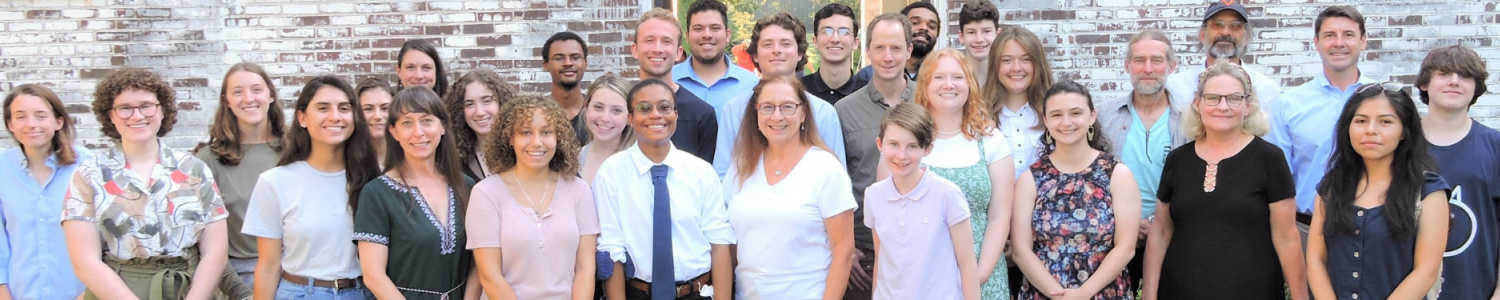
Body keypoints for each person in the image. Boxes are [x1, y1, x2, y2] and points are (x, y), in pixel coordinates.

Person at [63, 68, 238, 299]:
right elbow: (85, 261)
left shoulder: (194, 169)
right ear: (110, 115)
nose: (137, 116)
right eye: (125, 108)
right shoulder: (88, 175)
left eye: (146, 105)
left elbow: (215, 251)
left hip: (189, 290)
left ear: (162, 110)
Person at [1140, 62, 1307, 300]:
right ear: (1198, 104)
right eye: (1213, 98)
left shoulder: (1269, 158)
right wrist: (1149, 293)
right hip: (1180, 290)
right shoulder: (1178, 159)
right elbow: (1161, 231)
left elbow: (1287, 237)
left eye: (1234, 98)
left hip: (1253, 291)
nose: (1223, 106)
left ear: (1248, 106)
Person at [594, 79, 734, 300]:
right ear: (630, 118)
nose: (655, 115)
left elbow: (719, 242)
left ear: (676, 114)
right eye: (644, 108)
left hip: (697, 293)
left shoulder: (701, 172)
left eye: (664, 107)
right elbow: (612, 249)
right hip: (639, 293)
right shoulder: (611, 173)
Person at [1307, 82, 1449, 300]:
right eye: (1361, 121)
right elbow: (1316, 258)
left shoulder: (1427, 191)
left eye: (1385, 122)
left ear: (1404, 131)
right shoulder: (1332, 186)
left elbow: (1426, 271)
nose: (1370, 130)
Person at [244, 75, 381, 299]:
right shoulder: (275, 182)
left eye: (344, 108)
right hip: (300, 292)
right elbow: (268, 267)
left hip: (362, 292)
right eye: (323, 108)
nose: (335, 116)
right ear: (303, 118)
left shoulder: (372, 180)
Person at [723, 76, 857, 299]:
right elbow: (729, 242)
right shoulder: (741, 166)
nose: (777, 116)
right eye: (767, 107)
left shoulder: (826, 169)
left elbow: (844, 251)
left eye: (787, 107)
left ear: (803, 113)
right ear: (756, 114)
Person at [1011, 81, 1139, 300]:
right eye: (1057, 114)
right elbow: (1021, 251)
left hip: (1103, 293)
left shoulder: (1117, 174)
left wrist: (1083, 294)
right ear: (1046, 120)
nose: (1066, 122)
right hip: (1044, 293)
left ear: (1092, 116)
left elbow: (1125, 247)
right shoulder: (1031, 179)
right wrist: (1058, 295)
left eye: (1076, 113)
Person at [469, 96, 599, 299]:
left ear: (558, 137)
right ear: (510, 138)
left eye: (546, 132)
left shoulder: (578, 190)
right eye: (525, 132)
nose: (536, 142)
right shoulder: (486, 193)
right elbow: (489, 276)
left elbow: (585, 268)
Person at [355, 87, 479, 299]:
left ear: (442, 126)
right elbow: (373, 276)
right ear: (394, 132)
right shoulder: (377, 194)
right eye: (407, 123)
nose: (418, 132)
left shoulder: (467, 186)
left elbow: (478, 263)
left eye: (427, 120)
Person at [911, 48, 1015, 300]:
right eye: (938, 77)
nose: (949, 85)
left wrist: (976, 278)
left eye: (957, 77)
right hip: (920, 276)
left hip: (983, 274)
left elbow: (1000, 216)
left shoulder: (991, 140)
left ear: (969, 84)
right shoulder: (907, 140)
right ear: (925, 85)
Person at [1267, 5, 1378, 231]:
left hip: (1373, 228)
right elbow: (1276, 180)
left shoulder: (1385, 100)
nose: (1339, 43)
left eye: (1348, 35)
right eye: (1330, 35)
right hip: (1306, 228)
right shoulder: (1288, 104)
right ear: (1316, 43)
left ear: (1363, 41)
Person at [1094, 29, 1191, 288]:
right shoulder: (1104, 116)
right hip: (1113, 238)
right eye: (1139, 60)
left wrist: (1153, 222)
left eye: (1157, 60)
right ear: (1127, 65)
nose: (1147, 68)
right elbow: (1093, 178)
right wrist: (1126, 223)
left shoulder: (1192, 119)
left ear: (1172, 65)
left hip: (1174, 235)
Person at [834, 13, 915, 300]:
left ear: (909, 50)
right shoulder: (844, 111)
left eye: (896, 48)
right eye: (879, 48)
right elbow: (836, 183)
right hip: (864, 253)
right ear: (867, 50)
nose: (888, 56)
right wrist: (846, 246)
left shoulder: (929, 102)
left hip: (924, 246)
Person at [864, 103, 979, 300]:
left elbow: (967, 265)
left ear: (927, 148)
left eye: (912, 146)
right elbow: (881, 259)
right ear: (880, 144)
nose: (902, 155)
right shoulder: (873, 195)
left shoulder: (948, 195)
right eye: (894, 144)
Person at [713, 12, 845, 180]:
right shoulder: (734, 109)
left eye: (785, 44)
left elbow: (837, 179)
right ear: (755, 54)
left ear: (799, 54)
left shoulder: (823, 112)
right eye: (768, 44)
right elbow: (722, 174)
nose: (777, 51)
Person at [1417, 45, 1500, 299]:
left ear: (1476, 88)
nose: (1454, 81)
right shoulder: (1398, 145)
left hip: (1476, 290)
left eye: (1464, 75)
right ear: (1424, 84)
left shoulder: (1495, 146)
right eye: (1443, 74)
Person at [194, 62, 286, 287]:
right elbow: (198, 237)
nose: (248, 98)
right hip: (239, 276)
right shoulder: (207, 160)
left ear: (270, 95)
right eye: (238, 92)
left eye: (256, 89)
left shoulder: (298, 149)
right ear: (227, 101)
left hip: (297, 274)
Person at [0, 84, 89, 299]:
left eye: (41, 116)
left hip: (80, 294)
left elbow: (106, 238)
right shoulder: (2, 168)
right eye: (20, 117)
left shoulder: (87, 164)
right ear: (10, 124)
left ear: (59, 121)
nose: (31, 124)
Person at [1161, 0, 1282, 114]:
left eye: (1235, 26)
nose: (1225, 32)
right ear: (1202, 35)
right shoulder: (1175, 87)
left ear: (1246, 38)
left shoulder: (1267, 91)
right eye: (1217, 25)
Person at [633, 7, 718, 163]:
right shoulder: (618, 108)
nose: (657, 49)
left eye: (666, 41)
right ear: (635, 49)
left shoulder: (701, 114)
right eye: (649, 40)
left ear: (679, 53)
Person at [982, 27, 1052, 179]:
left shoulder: (1055, 112)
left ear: (1037, 64)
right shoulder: (977, 114)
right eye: (1006, 60)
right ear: (995, 65)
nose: (1016, 68)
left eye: (1026, 59)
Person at [673, 0, 760, 109]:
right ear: (687, 36)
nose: (707, 35)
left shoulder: (752, 85)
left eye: (715, 28)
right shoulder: (668, 81)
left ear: (728, 35)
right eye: (698, 29)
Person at [444, 69, 518, 180]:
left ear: (502, 102)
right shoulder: (456, 160)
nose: (479, 112)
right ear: (459, 111)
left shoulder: (521, 149)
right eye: (469, 104)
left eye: (487, 101)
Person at [854, 1, 940, 82]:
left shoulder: (940, 75)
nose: (924, 28)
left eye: (931, 26)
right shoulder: (867, 76)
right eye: (915, 23)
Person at [802, 3, 867, 105]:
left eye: (844, 31)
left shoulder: (868, 94)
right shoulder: (799, 92)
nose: (835, 39)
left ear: (855, 43)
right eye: (827, 31)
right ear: (815, 41)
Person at [581, 74, 637, 184]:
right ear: (586, 107)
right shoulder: (572, 161)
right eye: (598, 107)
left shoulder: (641, 161)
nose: (605, 118)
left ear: (629, 116)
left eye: (616, 110)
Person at [544, 31, 594, 146]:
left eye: (575, 57)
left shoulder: (597, 114)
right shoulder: (537, 113)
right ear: (546, 65)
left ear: (585, 63)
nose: (568, 63)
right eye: (559, 58)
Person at [957, 1, 1000, 87]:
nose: (979, 39)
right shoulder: (953, 80)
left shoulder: (1008, 79)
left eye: (986, 31)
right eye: (971, 32)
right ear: (961, 37)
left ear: (998, 35)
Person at [358, 77, 397, 167]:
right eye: (368, 109)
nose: (378, 116)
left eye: (385, 108)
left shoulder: (407, 156)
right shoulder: (344, 159)